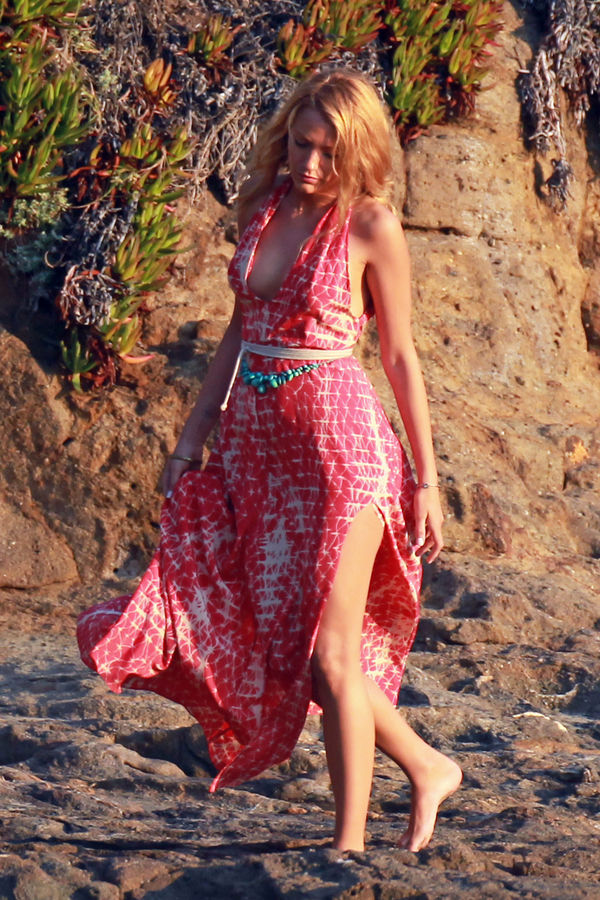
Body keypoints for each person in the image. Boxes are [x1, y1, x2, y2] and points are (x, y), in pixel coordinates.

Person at [77, 67, 462, 853]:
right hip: (257, 452)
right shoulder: (264, 207)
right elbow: (238, 330)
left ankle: (348, 846)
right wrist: (191, 439)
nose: (311, 164)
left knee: (330, 653)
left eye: (328, 151)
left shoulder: (371, 225)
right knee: (297, 649)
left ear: (357, 152)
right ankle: (426, 766)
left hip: (340, 453)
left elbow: (399, 355)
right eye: (301, 144)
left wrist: (427, 480)